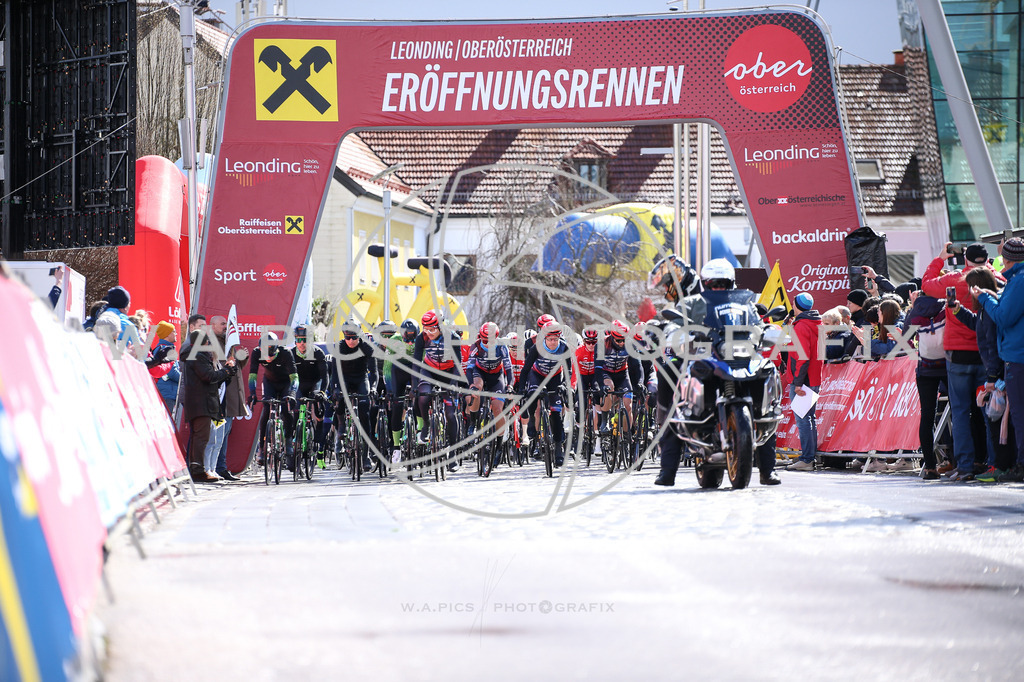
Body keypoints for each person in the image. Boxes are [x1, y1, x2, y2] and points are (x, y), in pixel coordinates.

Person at [923, 242, 1002, 481]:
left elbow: (926, 285)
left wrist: (939, 259)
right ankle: (992, 464)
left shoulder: (954, 280)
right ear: (986, 259)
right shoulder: (996, 279)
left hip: (958, 354)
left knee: (960, 412)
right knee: (991, 411)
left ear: (965, 258)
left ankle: (965, 466)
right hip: (988, 356)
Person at [952, 267, 1016, 481]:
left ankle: (999, 465)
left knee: (997, 420)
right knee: (995, 418)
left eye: (970, 286)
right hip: (997, 370)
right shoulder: (985, 308)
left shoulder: (988, 307)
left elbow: (990, 343)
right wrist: (960, 311)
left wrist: (992, 376)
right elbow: (977, 326)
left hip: (997, 372)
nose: (969, 291)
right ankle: (996, 464)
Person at [976, 237, 1024, 482]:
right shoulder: (1015, 279)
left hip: (1017, 356)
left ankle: (1021, 466)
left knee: (1019, 414)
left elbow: (1003, 318)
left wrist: (986, 298)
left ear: (1007, 259)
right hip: (1016, 354)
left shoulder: (1019, 280)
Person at [181, 321, 237, 482]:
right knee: (202, 437)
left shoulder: (195, 354)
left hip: (200, 402)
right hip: (201, 403)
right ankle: (198, 470)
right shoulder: (198, 355)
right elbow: (209, 377)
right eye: (207, 341)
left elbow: (210, 379)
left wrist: (226, 372)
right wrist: (226, 371)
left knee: (201, 436)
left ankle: (197, 468)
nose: (209, 344)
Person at [516, 320, 574, 467]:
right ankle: (530, 424)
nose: (553, 342)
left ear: (559, 338)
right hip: (537, 375)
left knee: (555, 413)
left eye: (555, 339)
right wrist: (521, 388)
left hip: (555, 378)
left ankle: (558, 449)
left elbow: (568, 371)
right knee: (533, 395)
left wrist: (564, 385)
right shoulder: (537, 347)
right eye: (549, 339)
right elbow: (525, 369)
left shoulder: (564, 348)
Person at [906, 292, 948, 480]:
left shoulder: (916, 312)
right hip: (948, 366)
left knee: (927, 416)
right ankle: (961, 462)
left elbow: (904, 341)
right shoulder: (945, 306)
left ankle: (930, 467)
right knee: (961, 412)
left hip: (925, 369)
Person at [466, 321, 513, 472]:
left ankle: (499, 445)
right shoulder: (476, 346)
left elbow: (508, 370)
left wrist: (510, 386)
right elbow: (469, 368)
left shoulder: (501, 347)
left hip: (496, 377)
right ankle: (473, 423)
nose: (487, 342)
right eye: (484, 339)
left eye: (490, 340)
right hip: (480, 373)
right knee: (477, 389)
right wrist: (470, 385)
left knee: (497, 409)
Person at [332, 323, 379, 469]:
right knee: (340, 398)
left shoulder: (367, 347)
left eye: (354, 338)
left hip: (360, 378)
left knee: (365, 410)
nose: (351, 341)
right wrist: (335, 389)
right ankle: (341, 424)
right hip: (344, 378)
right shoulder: (338, 347)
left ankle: (365, 457)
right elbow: (334, 372)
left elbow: (374, 371)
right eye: (348, 338)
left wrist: (373, 388)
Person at [249, 331, 298, 468]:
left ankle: (288, 440)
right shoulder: (256, 352)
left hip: (285, 383)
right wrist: (252, 393)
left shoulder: (286, 353)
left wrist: (293, 393)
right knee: (266, 409)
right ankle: (262, 448)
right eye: (266, 356)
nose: (268, 359)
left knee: (286, 410)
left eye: (271, 355)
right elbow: (252, 374)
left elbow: (294, 377)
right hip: (270, 382)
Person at [786, 292, 823, 472]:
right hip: (814, 378)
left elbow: (802, 356)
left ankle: (807, 459)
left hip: (803, 379)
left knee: (803, 420)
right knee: (809, 418)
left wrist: (798, 382)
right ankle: (809, 457)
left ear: (795, 305)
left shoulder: (801, 326)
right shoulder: (818, 323)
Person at [292, 323, 329, 465]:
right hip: (299, 383)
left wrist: (322, 392)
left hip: (315, 382)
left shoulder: (318, 353)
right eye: (298, 340)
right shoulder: (291, 354)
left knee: (319, 410)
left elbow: (324, 377)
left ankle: (319, 445)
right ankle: (293, 442)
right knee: (295, 410)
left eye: (305, 340)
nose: (301, 343)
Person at [382, 319, 419, 461]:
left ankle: (420, 430)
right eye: (406, 340)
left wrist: (417, 388)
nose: (410, 344)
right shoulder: (394, 341)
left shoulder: (421, 341)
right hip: (398, 372)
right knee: (397, 406)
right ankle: (396, 446)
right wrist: (390, 390)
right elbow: (387, 368)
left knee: (419, 398)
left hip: (415, 370)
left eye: (413, 341)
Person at [152, 321, 181, 415]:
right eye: (174, 331)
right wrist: (185, 380)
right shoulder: (166, 349)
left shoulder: (161, 348)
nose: (176, 333)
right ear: (167, 334)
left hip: (166, 392)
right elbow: (172, 372)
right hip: (167, 394)